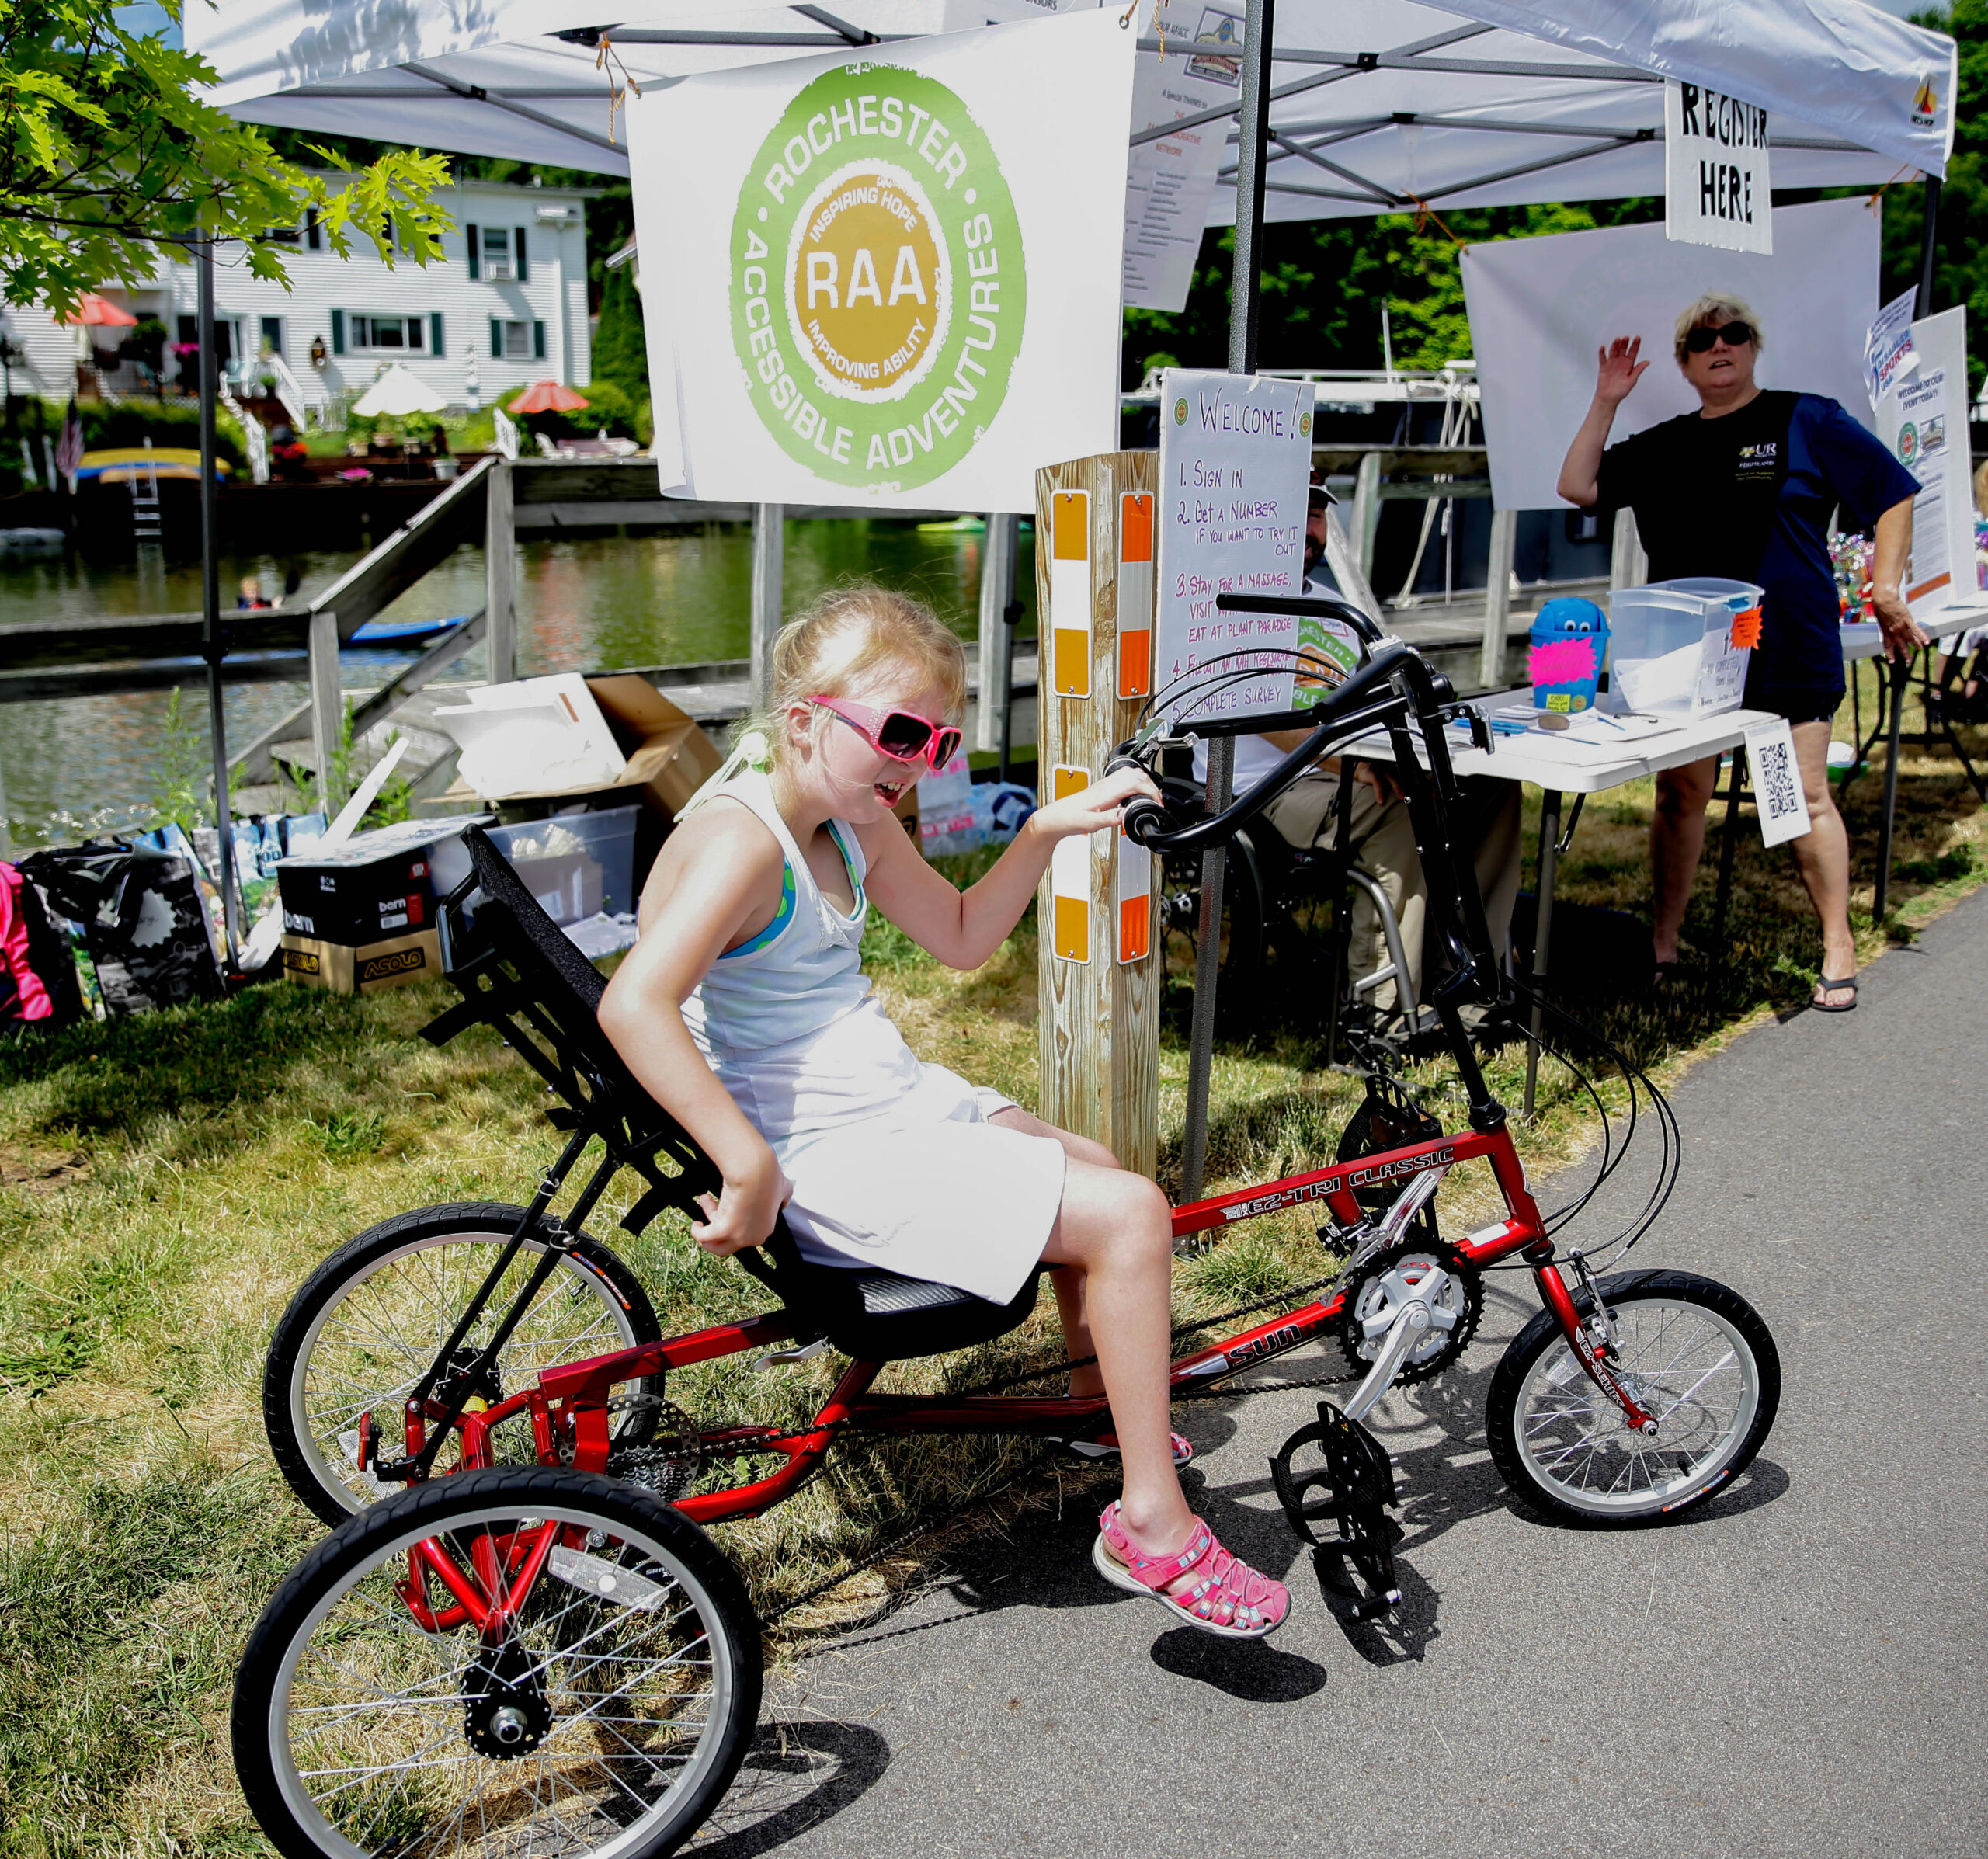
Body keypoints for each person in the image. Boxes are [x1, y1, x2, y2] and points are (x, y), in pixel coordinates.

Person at [599, 587, 1290, 1639]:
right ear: (803, 718)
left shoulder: (843, 814)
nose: (918, 762)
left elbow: (964, 936)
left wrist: (1050, 828)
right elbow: (634, 1001)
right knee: (1131, 1213)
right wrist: (743, 1160)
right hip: (831, 1148)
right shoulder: (745, 843)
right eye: (899, 733)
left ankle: (1103, 1416)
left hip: (887, 1106)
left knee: (1095, 1162)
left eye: (941, 739)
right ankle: (1153, 1520)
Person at [1557, 294, 1925, 1012]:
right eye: (1701, 339)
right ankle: (1663, 945)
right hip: (1687, 661)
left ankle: (1837, 944)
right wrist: (1606, 400)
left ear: (1753, 346)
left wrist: (1884, 587)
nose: (1717, 345)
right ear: (1686, 362)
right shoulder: (1667, 442)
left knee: (1796, 797)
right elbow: (1578, 486)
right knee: (1681, 794)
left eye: (1732, 334)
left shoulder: (1807, 418)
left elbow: (1891, 493)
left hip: (1786, 646)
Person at [1194, 471, 1522, 1015]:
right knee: (1398, 809)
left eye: (1317, 514)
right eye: (1291, 514)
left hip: (1349, 765)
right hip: (1264, 787)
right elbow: (1257, 714)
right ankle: (1384, 1008)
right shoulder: (1229, 606)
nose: (1307, 529)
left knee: (1489, 789)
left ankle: (1465, 976)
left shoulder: (1336, 607)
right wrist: (1354, 760)